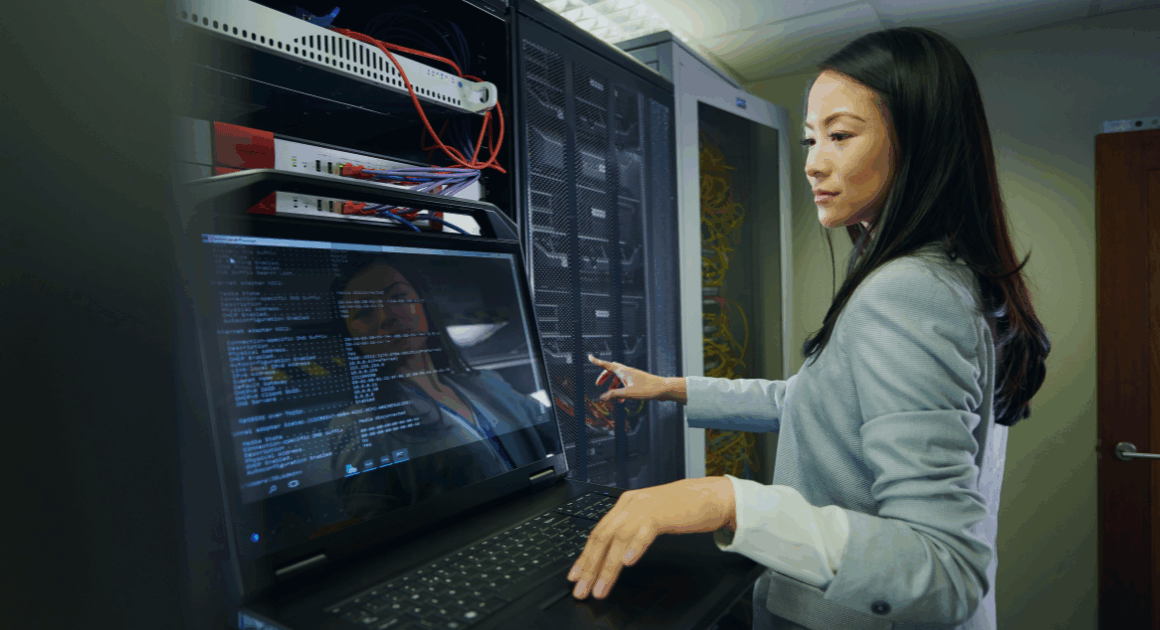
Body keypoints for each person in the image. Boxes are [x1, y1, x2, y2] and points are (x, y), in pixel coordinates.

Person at [565, 26, 1050, 630]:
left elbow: (945, 568)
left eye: (841, 136)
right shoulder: (945, 271)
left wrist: (729, 501)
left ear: (920, 142)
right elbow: (814, 401)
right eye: (810, 139)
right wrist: (671, 388)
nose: (813, 163)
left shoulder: (908, 290)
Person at [326, 258, 555, 519]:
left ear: (422, 304)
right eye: (364, 311)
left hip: (541, 518)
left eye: (398, 296)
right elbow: (373, 530)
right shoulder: (357, 423)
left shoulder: (486, 381)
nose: (387, 316)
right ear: (351, 336)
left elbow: (552, 429)